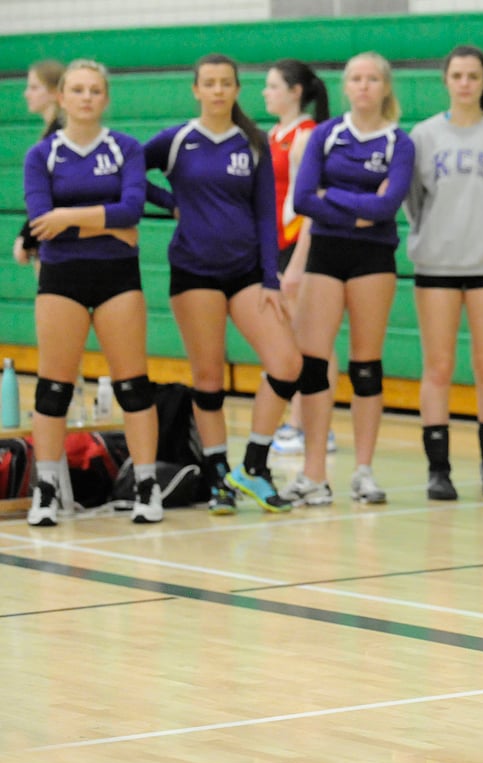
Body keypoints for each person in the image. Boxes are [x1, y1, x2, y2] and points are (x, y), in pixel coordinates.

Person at [144, 53, 302, 515]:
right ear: (196, 89)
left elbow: (266, 214)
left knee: (287, 363)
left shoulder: (252, 143)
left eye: (225, 83)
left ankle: (253, 465)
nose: (217, 90)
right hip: (194, 272)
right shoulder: (176, 140)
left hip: (247, 272)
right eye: (209, 83)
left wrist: (271, 278)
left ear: (236, 89)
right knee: (209, 378)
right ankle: (217, 477)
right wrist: (169, 201)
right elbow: (129, 171)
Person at [23, 58, 162, 526]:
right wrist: (104, 224)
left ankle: (146, 485)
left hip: (117, 277)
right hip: (61, 278)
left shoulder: (125, 148)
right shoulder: (41, 155)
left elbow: (132, 209)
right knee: (53, 389)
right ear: (62, 98)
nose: (86, 98)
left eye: (95, 91)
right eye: (77, 90)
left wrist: (68, 217)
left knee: (133, 385)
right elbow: (41, 224)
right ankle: (45, 490)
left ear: (106, 98)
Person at [284, 51, 415, 506]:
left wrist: (333, 197)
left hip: (373, 257)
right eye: (355, 78)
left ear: (385, 87)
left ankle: (363, 472)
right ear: (345, 86)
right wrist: (360, 208)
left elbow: (387, 207)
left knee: (365, 366)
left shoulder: (399, 143)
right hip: (325, 252)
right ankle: (313, 474)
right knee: (313, 362)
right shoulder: (325, 135)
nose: (363, 85)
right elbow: (303, 199)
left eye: (372, 78)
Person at [403, 45, 483, 501]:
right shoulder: (423, 135)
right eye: (457, 75)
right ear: (446, 80)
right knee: (438, 367)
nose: (465, 84)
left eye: (473, 76)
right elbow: (413, 200)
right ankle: (439, 470)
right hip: (436, 263)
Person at [262, 58, 338, 457]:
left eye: (273, 85)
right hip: (275, 244)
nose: (266, 92)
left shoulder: (306, 136)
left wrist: (297, 262)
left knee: (313, 339)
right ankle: (298, 421)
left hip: (299, 245)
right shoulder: (272, 135)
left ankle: (310, 425)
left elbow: (312, 204)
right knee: (288, 338)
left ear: (295, 92)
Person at [14, 59, 64, 267]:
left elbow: (52, 193)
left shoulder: (59, 136)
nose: (27, 94)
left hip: (58, 241)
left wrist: (27, 237)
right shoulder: (52, 134)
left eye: (34, 87)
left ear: (54, 92)